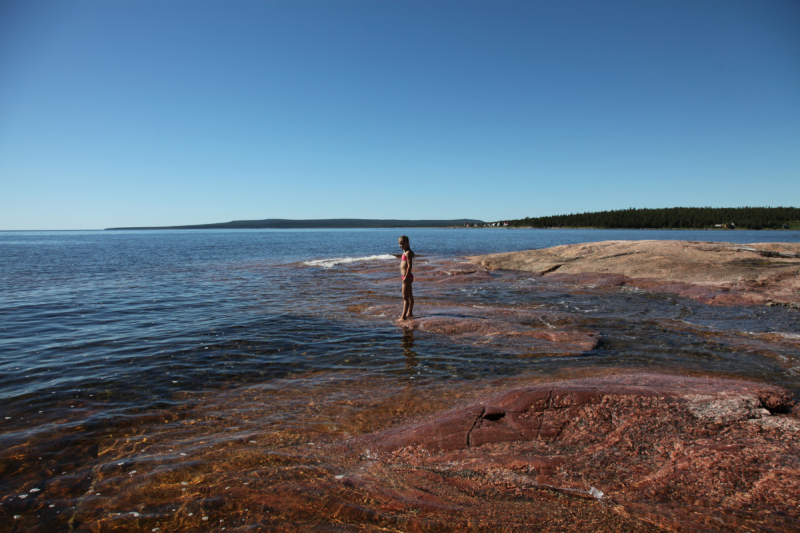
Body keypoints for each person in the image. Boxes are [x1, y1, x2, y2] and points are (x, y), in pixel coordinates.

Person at [398, 235, 415, 320]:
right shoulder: (404, 252)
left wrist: (406, 277)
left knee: (405, 298)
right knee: (410, 296)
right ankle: (410, 313)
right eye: (400, 244)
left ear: (407, 243)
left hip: (407, 277)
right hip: (405, 276)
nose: (401, 245)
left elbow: (409, 266)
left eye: (403, 244)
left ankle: (403, 316)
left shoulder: (408, 252)